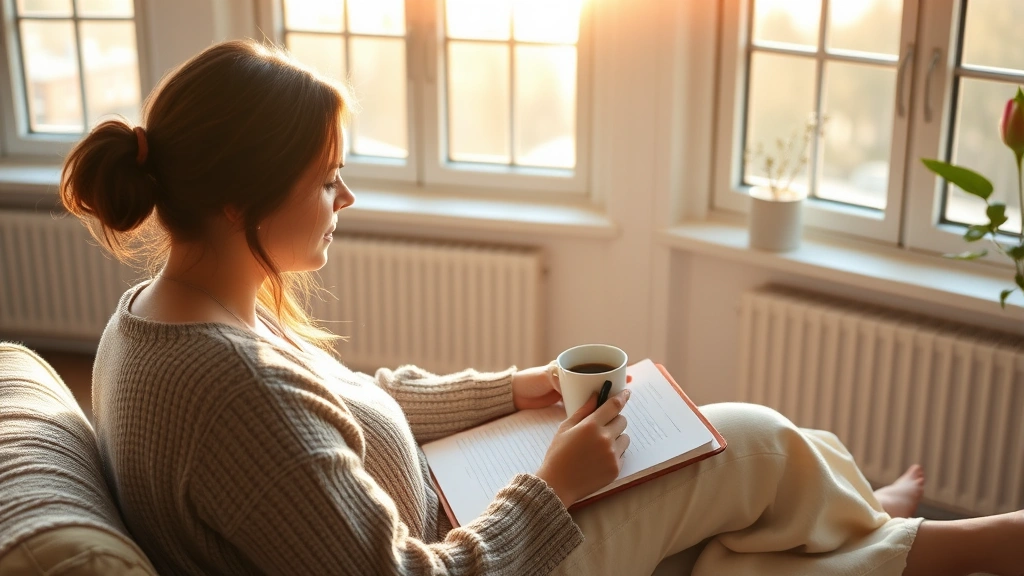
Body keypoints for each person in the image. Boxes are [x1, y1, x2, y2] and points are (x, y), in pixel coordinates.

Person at [59, 39, 1023, 576]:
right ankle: (912, 532)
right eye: (326, 180)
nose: (345, 201)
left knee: (721, 554)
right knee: (749, 440)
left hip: (454, 499)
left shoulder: (165, 309)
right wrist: (550, 487)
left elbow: (354, 400)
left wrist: (511, 391)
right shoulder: (227, 388)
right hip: (482, 546)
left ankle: (878, 530)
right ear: (239, 201)